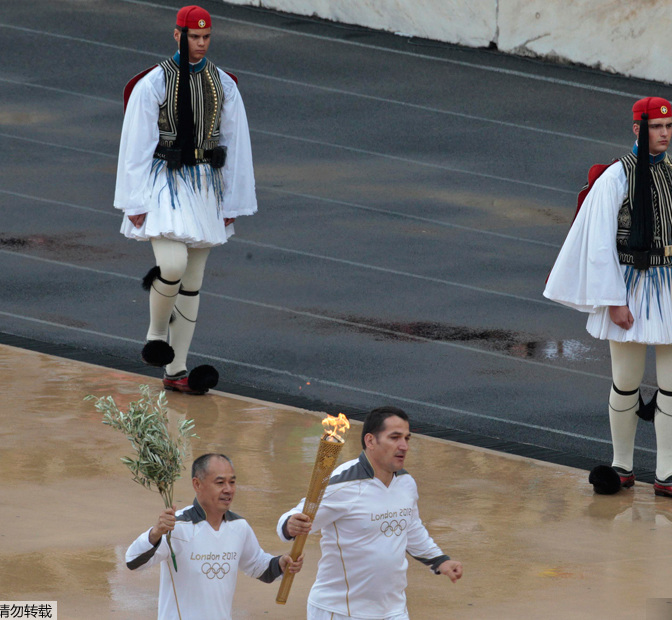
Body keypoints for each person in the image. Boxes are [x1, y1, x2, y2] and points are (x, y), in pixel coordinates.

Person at [543, 97, 672, 502]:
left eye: (668, 126)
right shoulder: (616, 177)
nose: (664, 133)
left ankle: (668, 473)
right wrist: (613, 298)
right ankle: (622, 466)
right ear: (637, 129)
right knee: (627, 379)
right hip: (630, 283)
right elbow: (599, 245)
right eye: (655, 126)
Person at [114, 5, 257, 395]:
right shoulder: (154, 83)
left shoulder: (222, 83)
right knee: (173, 264)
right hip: (163, 183)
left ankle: (177, 369)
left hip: (204, 186)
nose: (201, 44)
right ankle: (155, 336)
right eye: (195, 37)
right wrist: (135, 199)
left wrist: (231, 205)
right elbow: (137, 144)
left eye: (206, 37)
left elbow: (234, 144)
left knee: (192, 282)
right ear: (177, 35)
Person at [278, 406, 463, 620]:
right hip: (340, 611)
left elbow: (410, 528)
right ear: (370, 441)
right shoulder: (342, 484)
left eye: (406, 438)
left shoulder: (406, 483)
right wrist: (290, 524)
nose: (404, 446)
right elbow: (293, 518)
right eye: (394, 437)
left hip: (393, 610)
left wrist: (440, 561)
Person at [125, 453, 303, 620]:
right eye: (220, 483)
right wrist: (155, 533)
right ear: (197, 484)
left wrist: (281, 564)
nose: (228, 489)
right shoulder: (177, 527)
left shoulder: (239, 527)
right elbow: (132, 561)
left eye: (232, 482)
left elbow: (257, 565)